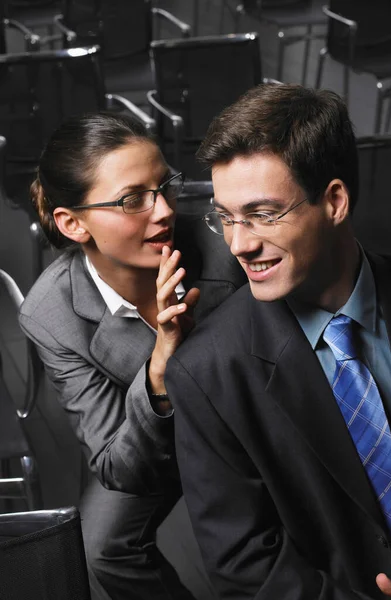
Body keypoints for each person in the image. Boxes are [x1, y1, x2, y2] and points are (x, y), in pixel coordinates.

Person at [165, 83, 391, 600]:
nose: (239, 244)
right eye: (226, 217)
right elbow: (246, 565)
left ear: (335, 201)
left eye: (263, 214)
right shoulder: (207, 374)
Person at [19, 112, 239, 600]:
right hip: (159, 437)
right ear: (73, 223)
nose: (163, 211)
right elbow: (118, 465)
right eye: (131, 199)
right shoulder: (51, 313)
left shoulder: (225, 240)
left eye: (164, 186)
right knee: (103, 547)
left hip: (248, 415)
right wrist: (160, 366)